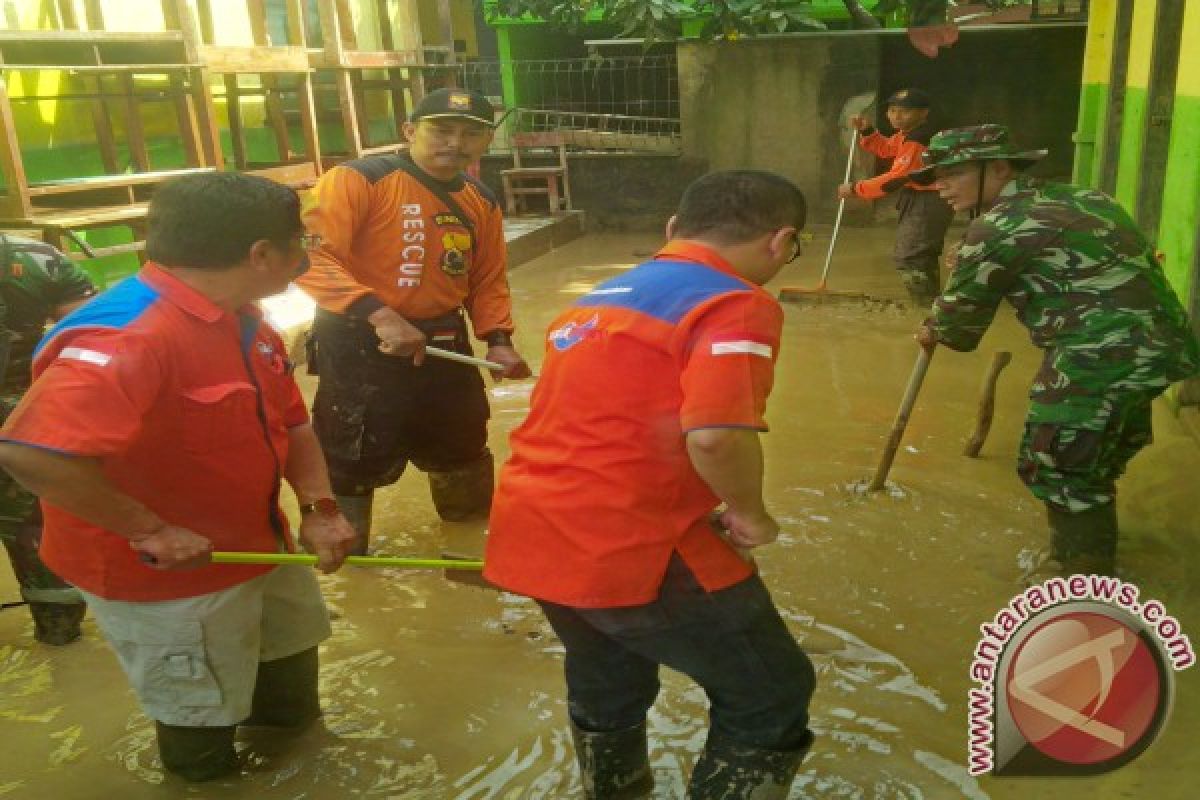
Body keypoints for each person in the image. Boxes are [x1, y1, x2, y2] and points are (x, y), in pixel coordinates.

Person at [0, 172, 356, 781]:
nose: (309, 254)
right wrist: (150, 530)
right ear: (262, 255)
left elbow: (291, 421)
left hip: (259, 549)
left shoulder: (243, 319)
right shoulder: (127, 335)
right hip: (168, 576)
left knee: (291, 701)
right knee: (201, 737)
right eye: (302, 241)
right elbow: (30, 453)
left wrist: (320, 510)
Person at [484, 171, 817, 799]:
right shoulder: (733, 300)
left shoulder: (598, 296)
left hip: (535, 531)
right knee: (772, 692)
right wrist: (753, 517)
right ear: (782, 241)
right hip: (632, 545)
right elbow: (717, 435)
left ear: (672, 231)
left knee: (608, 676)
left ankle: (614, 791)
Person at [912, 124, 1200, 576]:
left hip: (1101, 352)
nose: (940, 186)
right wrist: (975, 259)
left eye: (955, 173)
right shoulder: (1084, 197)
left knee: (1055, 461)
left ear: (1000, 168)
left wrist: (936, 319)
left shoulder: (997, 228)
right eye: (935, 176)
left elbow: (957, 330)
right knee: (1094, 454)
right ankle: (1097, 541)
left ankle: (1081, 575)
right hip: (1165, 347)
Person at [298, 87, 531, 552]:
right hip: (360, 340)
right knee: (349, 454)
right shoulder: (356, 179)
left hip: (444, 341)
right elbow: (311, 260)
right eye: (441, 130)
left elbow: (487, 279)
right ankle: (346, 558)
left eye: (471, 134)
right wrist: (379, 314)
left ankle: (472, 549)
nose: (455, 143)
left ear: (486, 142)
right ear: (409, 132)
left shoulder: (481, 200)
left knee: (461, 446)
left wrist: (498, 339)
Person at [0, 235, 95, 644]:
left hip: (26, 419)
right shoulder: (38, 258)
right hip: (26, 423)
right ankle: (59, 632)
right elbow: (93, 336)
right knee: (37, 526)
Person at [838, 88, 955, 305]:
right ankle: (930, 303)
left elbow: (896, 178)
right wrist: (868, 131)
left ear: (923, 113)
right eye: (892, 111)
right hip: (921, 196)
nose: (896, 116)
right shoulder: (907, 134)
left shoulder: (918, 138)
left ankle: (923, 306)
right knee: (921, 253)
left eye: (904, 112)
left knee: (910, 254)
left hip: (929, 199)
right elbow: (887, 148)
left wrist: (855, 189)